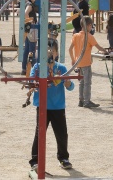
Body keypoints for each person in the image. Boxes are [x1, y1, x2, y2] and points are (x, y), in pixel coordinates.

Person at [29, 40, 74, 171]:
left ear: (56, 53)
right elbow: (31, 81)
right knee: (40, 133)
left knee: (61, 133)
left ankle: (63, 158)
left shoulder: (62, 68)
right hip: (42, 106)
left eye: (52, 52)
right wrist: (34, 86)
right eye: (46, 52)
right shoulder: (37, 67)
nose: (49, 55)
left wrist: (67, 84)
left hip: (58, 106)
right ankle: (35, 161)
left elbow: (71, 86)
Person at [69, 16, 107, 108]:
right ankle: (87, 101)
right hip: (86, 63)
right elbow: (99, 47)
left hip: (78, 62)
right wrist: (106, 51)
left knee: (81, 82)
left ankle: (81, 100)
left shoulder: (76, 35)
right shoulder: (89, 36)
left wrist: (73, 60)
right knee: (87, 83)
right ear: (89, 25)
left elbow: (70, 49)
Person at [21, 0, 39, 75]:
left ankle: (24, 68)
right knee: (32, 50)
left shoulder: (29, 4)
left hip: (28, 28)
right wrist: (30, 22)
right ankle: (34, 69)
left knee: (27, 49)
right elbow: (25, 13)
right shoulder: (30, 5)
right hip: (32, 28)